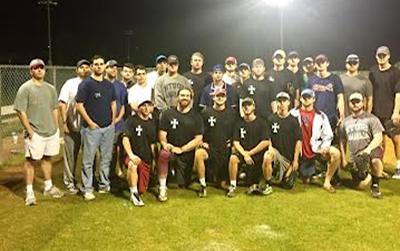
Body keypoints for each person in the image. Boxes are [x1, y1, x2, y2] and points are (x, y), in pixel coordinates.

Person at [14, 58, 64, 206]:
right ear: (31, 71)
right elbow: (20, 110)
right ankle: (29, 191)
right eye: (35, 68)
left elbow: (55, 108)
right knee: (30, 161)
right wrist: (29, 130)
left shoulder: (51, 88)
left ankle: (48, 186)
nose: (39, 70)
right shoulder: (25, 88)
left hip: (50, 131)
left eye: (41, 67)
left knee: (47, 158)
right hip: (35, 132)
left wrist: (56, 127)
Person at [76, 55, 116, 201]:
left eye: (101, 64)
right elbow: (79, 105)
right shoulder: (86, 84)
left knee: (106, 158)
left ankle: (104, 184)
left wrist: (112, 121)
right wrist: (90, 123)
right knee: (88, 160)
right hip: (91, 129)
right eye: (96, 64)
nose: (99, 66)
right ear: (92, 67)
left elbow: (113, 103)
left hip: (108, 128)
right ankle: (87, 188)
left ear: (105, 66)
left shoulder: (108, 85)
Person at [157, 87, 203, 201]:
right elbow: (162, 134)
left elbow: (198, 139)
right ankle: (162, 188)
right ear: (177, 98)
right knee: (163, 154)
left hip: (187, 153)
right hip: (171, 150)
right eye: (182, 95)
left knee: (182, 183)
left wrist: (182, 149)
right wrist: (166, 145)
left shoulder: (196, 116)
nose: (185, 98)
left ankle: (178, 174)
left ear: (191, 99)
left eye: (187, 96)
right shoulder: (168, 114)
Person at [291, 89, 341, 192]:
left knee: (335, 153)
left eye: (309, 97)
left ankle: (327, 181)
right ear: (300, 98)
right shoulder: (293, 113)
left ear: (313, 99)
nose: (306, 99)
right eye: (304, 97)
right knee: (306, 180)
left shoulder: (321, 115)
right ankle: (314, 172)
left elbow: (328, 135)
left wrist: (325, 146)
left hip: (316, 149)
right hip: (300, 152)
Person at [340, 92, 385, 198]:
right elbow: (342, 140)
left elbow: (379, 137)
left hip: (371, 150)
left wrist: (368, 150)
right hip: (356, 157)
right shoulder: (345, 122)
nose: (355, 104)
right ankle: (369, 175)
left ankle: (375, 185)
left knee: (376, 161)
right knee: (360, 185)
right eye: (352, 102)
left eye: (357, 101)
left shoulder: (372, 119)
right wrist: (343, 158)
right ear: (349, 104)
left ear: (363, 103)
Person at [194, 87, 237, 197]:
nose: (220, 98)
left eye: (222, 96)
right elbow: (200, 130)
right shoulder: (205, 113)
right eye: (218, 96)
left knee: (222, 184)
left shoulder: (232, 113)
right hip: (211, 148)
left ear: (226, 98)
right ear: (213, 97)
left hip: (225, 149)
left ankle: (232, 186)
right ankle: (202, 186)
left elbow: (236, 131)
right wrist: (202, 142)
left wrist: (232, 142)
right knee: (199, 154)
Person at [226, 97, 271, 197]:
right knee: (233, 158)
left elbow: (265, 142)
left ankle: (267, 184)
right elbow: (236, 142)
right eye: (244, 105)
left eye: (249, 105)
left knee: (267, 158)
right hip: (243, 153)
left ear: (254, 107)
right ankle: (232, 186)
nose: (246, 107)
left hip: (257, 154)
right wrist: (244, 154)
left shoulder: (262, 122)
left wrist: (249, 153)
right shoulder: (238, 123)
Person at [59, 59, 90, 194]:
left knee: (89, 156)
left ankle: (87, 181)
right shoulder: (70, 83)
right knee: (71, 155)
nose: (84, 69)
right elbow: (62, 103)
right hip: (73, 125)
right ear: (76, 70)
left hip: (88, 126)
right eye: (81, 67)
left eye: (86, 67)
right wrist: (64, 122)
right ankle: (69, 182)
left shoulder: (92, 83)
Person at [369, 46, 400, 179]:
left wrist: (396, 112)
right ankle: (379, 168)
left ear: (388, 56)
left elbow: (398, 94)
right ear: (376, 56)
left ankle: (399, 167)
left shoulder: (395, 72)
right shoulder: (373, 71)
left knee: (396, 139)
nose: (381, 58)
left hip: (389, 112)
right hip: (376, 112)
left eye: (384, 56)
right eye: (379, 56)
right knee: (379, 141)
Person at [121, 99, 157, 206]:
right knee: (133, 165)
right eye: (143, 106)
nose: (146, 108)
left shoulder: (152, 123)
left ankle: (138, 189)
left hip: (146, 159)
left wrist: (154, 160)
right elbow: (125, 139)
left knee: (143, 189)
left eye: (148, 106)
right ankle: (134, 194)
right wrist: (131, 155)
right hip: (134, 156)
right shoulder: (131, 121)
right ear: (139, 107)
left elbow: (152, 144)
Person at [263, 92, 302, 190]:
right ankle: (268, 183)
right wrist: (270, 148)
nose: (282, 103)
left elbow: (298, 141)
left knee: (287, 184)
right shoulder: (271, 119)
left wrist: (295, 160)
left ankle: (287, 172)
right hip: (276, 155)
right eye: (279, 101)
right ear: (276, 103)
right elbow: (268, 138)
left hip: (288, 158)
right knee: (267, 156)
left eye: (284, 101)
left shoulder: (293, 120)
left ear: (289, 102)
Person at [307, 54, 345, 131]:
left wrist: (341, 114)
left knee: (330, 141)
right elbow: (307, 98)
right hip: (315, 116)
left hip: (331, 116)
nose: (320, 64)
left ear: (327, 63)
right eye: (318, 62)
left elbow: (340, 97)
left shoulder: (335, 78)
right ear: (314, 64)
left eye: (322, 62)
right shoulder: (311, 80)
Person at [105, 60, 128, 187]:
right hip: (104, 124)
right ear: (105, 69)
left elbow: (123, 105)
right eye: (110, 67)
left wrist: (118, 119)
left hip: (118, 124)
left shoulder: (121, 86)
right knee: (106, 152)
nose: (113, 69)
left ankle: (114, 175)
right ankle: (105, 176)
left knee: (117, 151)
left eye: (115, 67)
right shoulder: (101, 84)